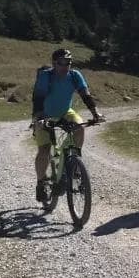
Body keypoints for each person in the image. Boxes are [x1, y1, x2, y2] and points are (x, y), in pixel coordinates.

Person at [31, 48, 104, 202]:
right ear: (54, 63)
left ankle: (73, 162)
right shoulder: (46, 76)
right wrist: (37, 119)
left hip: (65, 112)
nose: (65, 66)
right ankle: (41, 183)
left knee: (79, 126)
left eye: (68, 63)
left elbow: (86, 95)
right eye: (61, 63)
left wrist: (96, 113)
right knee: (44, 150)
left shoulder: (74, 75)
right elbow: (38, 98)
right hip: (44, 114)